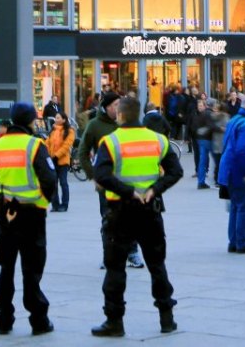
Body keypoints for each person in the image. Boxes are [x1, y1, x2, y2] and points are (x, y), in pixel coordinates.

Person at [90, 96, 184, 337]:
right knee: (156, 265)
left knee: (115, 268)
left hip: (120, 211)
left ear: (120, 115)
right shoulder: (158, 140)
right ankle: (167, 318)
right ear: (139, 114)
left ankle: (114, 321)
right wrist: (154, 189)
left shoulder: (110, 142)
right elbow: (176, 171)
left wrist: (127, 191)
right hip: (150, 209)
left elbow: (101, 174)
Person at [0, 102, 57, 335]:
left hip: (6, 214)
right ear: (32, 121)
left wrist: (4, 199)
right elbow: (49, 179)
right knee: (31, 269)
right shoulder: (35, 145)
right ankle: (38, 319)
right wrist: (42, 203)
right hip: (32, 213)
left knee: (6, 267)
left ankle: (4, 318)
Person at [81, 91, 144, 269]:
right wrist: (94, 176)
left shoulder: (128, 125)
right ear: (106, 107)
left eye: (120, 105)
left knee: (132, 219)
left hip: (129, 181)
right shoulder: (94, 126)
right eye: (115, 105)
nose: (118, 109)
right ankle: (108, 254)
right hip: (107, 183)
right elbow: (82, 151)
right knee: (109, 219)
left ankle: (132, 253)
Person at [217, 93, 245, 253]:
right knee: (244, 206)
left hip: (229, 169)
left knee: (236, 206)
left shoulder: (235, 120)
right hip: (237, 171)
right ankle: (242, 242)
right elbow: (244, 151)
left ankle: (234, 242)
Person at [46, 113, 75, 212]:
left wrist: (56, 156)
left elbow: (66, 146)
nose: (56, 119)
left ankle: (64, 204)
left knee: (63, 182)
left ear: (64, 120)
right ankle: (55, 204)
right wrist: (47, 155)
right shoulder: (53, 130)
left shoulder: (70, 131)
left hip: (63, 161)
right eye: (56, 117)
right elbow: (47, 143)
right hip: (52, 161)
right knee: (53, 183)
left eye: (58, 117)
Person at [189, 96, 214, 190]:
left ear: (205, 106)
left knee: (203, 159)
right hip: (204, 139)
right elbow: (191, 125)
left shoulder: (201, 114)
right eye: (198, 105)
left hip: (201, 138)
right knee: (210, 159)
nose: (199, 107)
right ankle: (207, 180)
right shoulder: (203, 114)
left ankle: (201, 181)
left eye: (201, 105)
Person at [208, 98, 228, 187]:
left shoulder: (213, 117)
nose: (214, 110)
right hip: (221, 142)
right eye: (214, 109)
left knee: (218, 162)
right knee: (220, 162)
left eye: (216, 109)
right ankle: (219, 180)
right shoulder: (224, 117)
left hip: (216, 142)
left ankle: (218, 180)